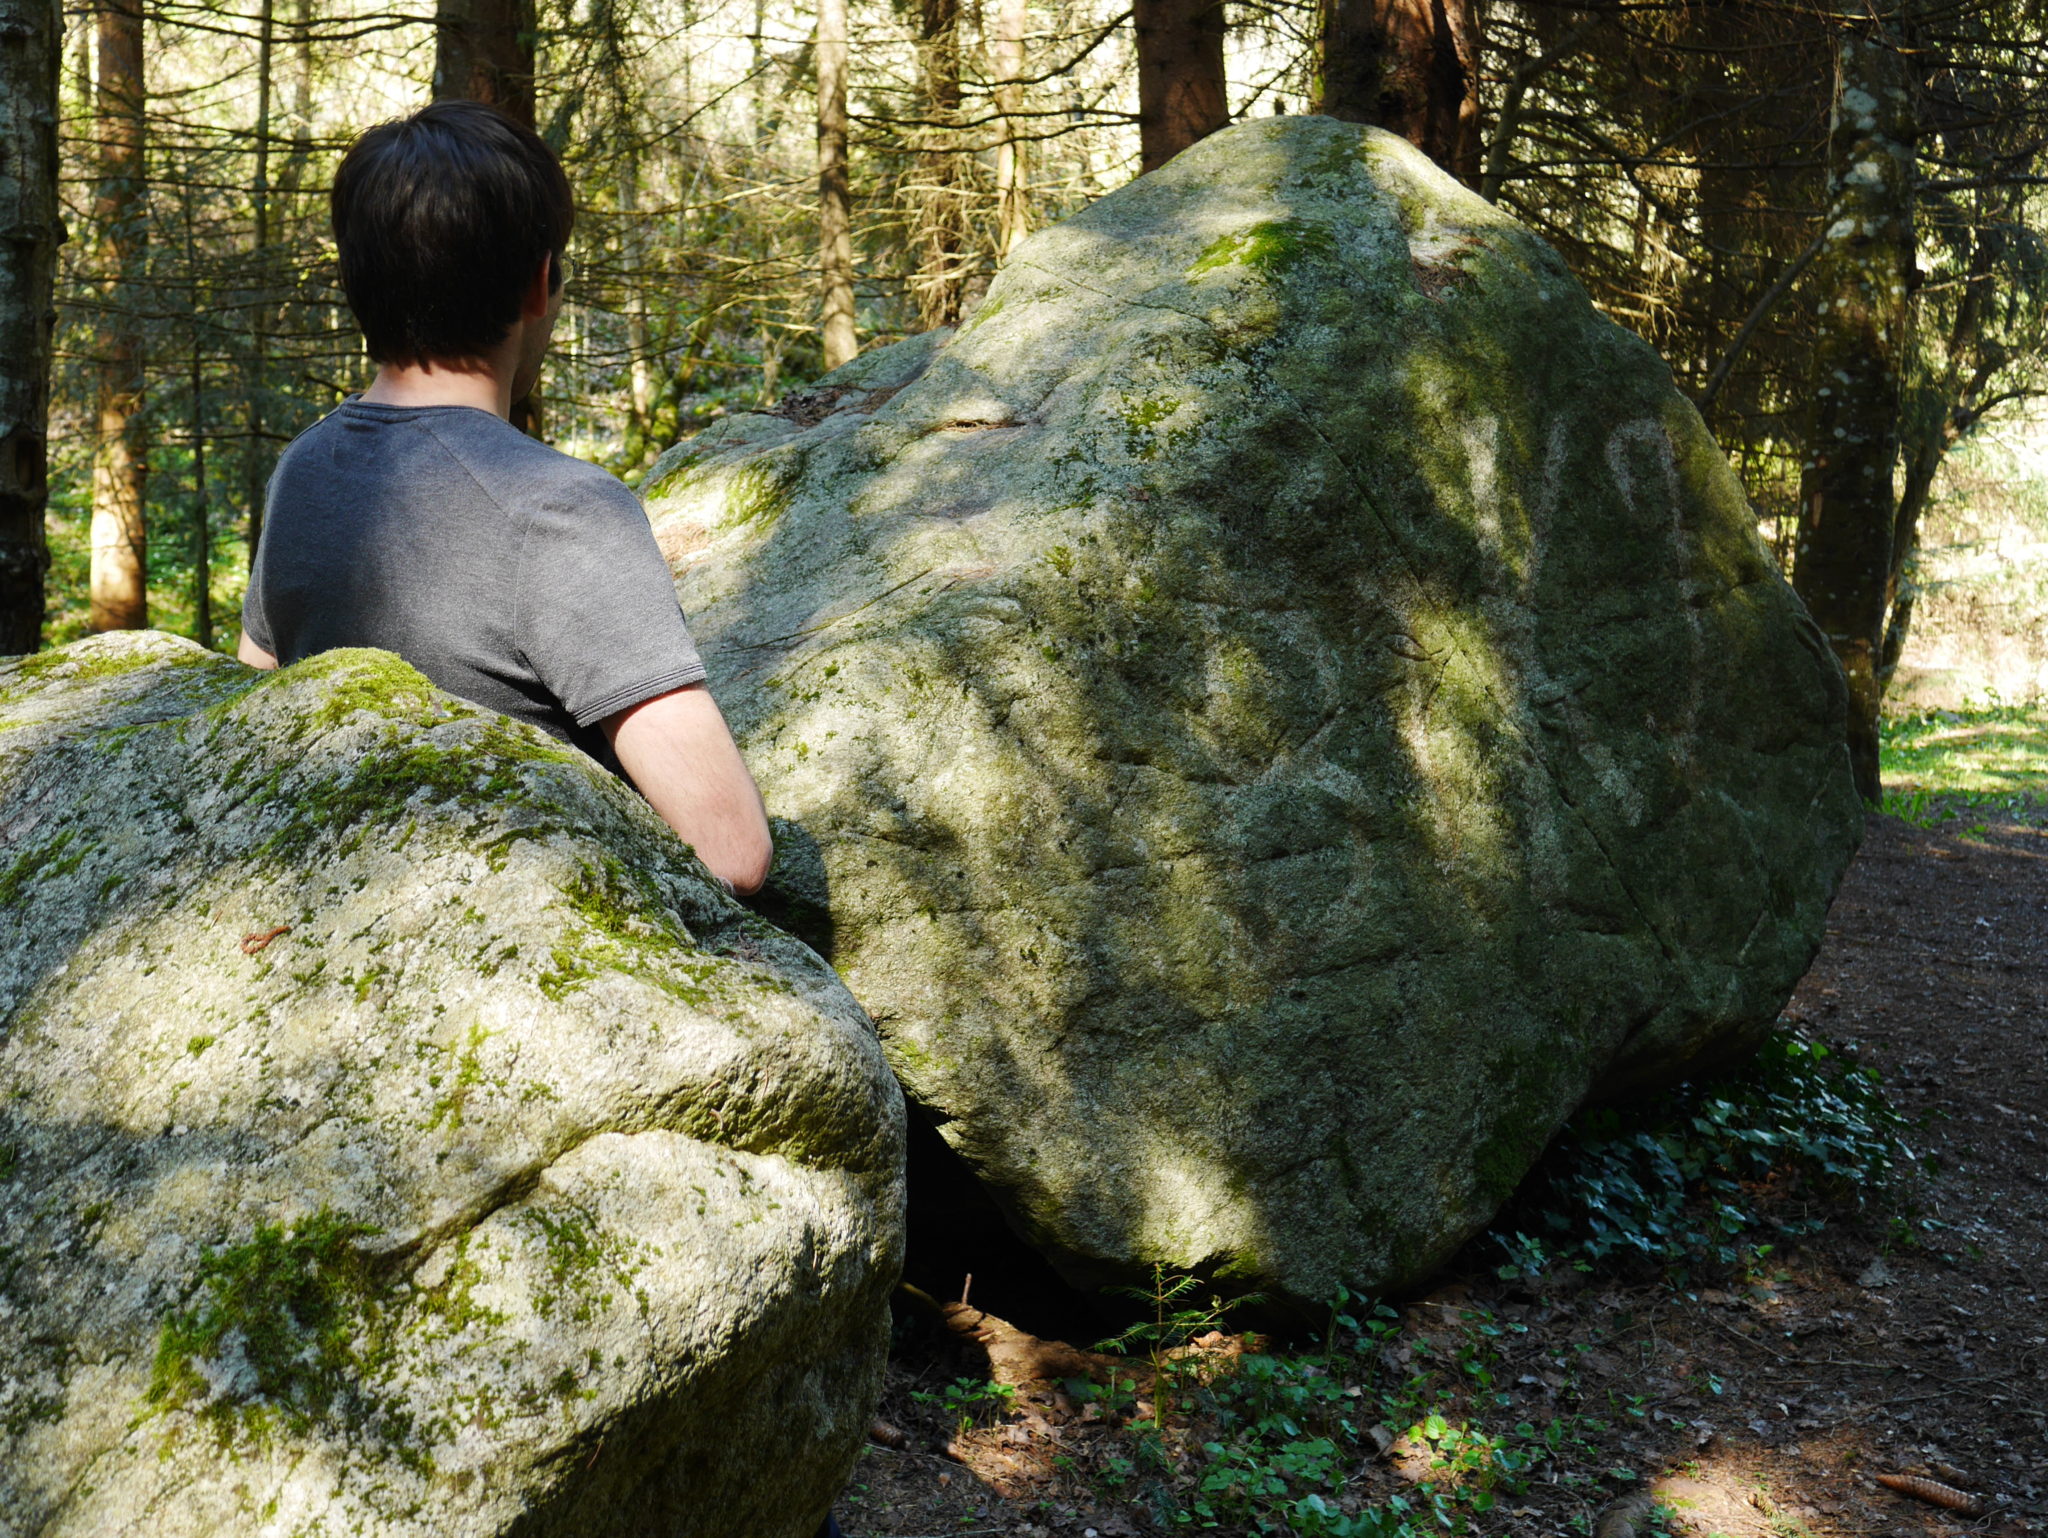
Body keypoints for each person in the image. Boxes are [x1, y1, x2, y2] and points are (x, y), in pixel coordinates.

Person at [237, 99, 772, 897]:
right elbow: (731, 850)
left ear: (357, 285)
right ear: (539, 283)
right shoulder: (560, 510)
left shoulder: (301, 470)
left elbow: (258, 704)